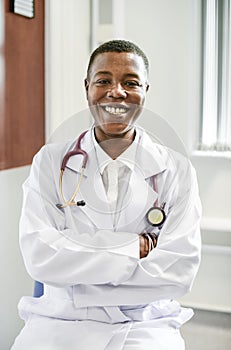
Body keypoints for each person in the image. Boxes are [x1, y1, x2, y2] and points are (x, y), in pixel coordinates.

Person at [11, 39, 201, 349]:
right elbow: (40, 258)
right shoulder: (50, 162)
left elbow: (179, 273)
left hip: (146, 322)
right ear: (87, 88)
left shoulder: (176, 170)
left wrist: (79, 282)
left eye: (130, 82)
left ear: (145, 91)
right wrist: (132, 247)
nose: (117, 92)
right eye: (103, 81)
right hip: (58, 320)